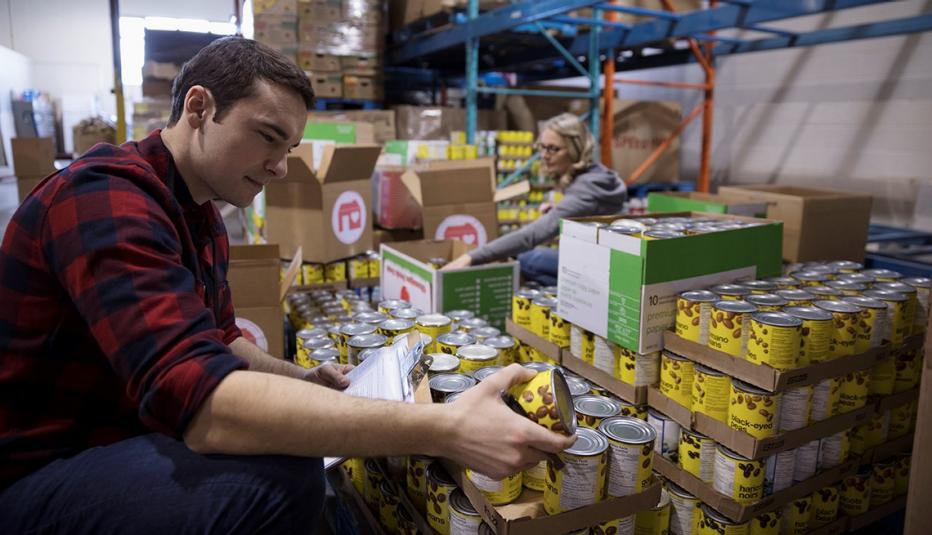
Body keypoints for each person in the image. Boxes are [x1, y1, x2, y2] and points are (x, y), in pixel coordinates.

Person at [0, 37, 574, 533]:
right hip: (45, 469)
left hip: (120, 434)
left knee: (291, 443)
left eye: (290, 148)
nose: (280, 166)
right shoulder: (105, 197)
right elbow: (201, 402)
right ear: (199, 107)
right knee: (279, 480)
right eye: (268, 137)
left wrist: (305, 379)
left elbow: (221, 341)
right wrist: (444, 429)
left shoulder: (198, 208)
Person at [443, 113, 627, 285]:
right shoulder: (597, 174)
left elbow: (530, 237)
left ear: (574, 150)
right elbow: (591, 211)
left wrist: (471, 257)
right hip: (599, 260)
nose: (545, 155)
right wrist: (560, 209)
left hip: (603, 273)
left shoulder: (586, 189)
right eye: (543, 147)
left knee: (526, 257)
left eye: (553, 149)